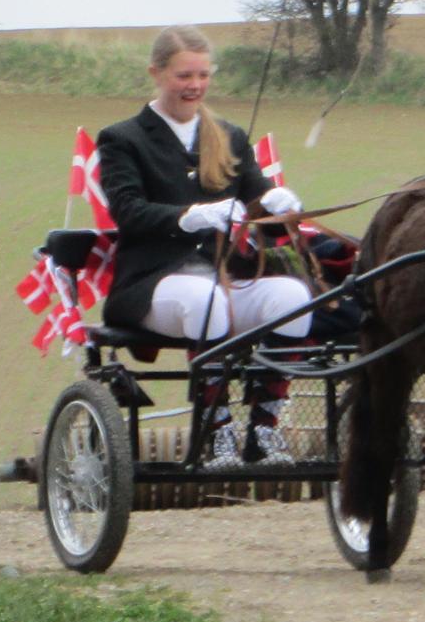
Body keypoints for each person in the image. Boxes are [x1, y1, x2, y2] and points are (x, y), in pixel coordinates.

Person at [97, 24, 310, 462]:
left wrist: (276, 205)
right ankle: (217, 432)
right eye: (183, 76)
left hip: (225, 276)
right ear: (156, 73)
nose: (195, 86)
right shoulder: (123, 139)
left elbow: (256, 199)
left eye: (202, 75)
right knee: (203, 301)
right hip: (153, 283)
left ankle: (263, 432)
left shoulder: (229, 136)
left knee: (291, 296)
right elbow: (128, 211)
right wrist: (189, 218)